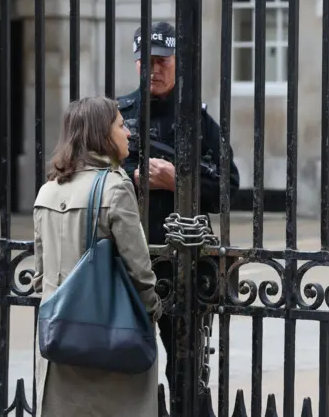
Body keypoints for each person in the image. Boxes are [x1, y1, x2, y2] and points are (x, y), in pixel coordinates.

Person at [117, 21, 240, 400]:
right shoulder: (118, 115)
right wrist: (133, 179)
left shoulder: (196, 118)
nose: (153, 69)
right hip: (129, 257)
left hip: (183, 262)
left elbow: (229, 187)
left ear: (176, 63)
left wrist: (177, 182)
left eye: (162, 61)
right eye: (147, 61)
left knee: (185, 366)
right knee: (126, 361)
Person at [32, 96, 163, 417]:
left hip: (59, 339)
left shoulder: (47, 191)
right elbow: (139, 269)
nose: (128, 133)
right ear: (102, 135)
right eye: (120, 126)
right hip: (110, 342)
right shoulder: (114, 188)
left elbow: (39, 274)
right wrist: (153, 309)